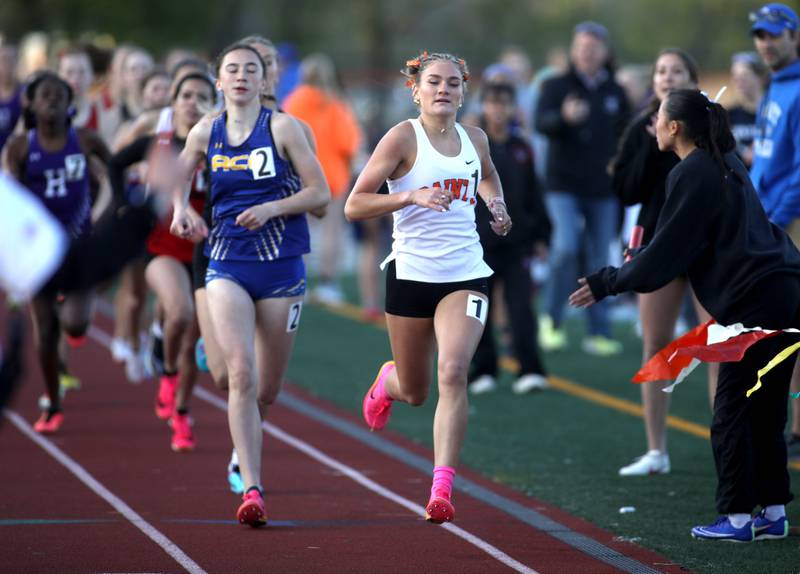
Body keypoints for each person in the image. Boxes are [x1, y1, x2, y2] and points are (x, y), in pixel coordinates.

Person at [570, 88, 797, 542]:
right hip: (787, 288)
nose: (652, 124)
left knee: (732, 410)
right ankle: (772, 513)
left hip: (754, 302)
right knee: (767, 412)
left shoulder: (692, 172)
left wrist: (607, 281)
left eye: (658, 118)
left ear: (674, 127)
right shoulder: (726, 160)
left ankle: (735, 518)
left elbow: (662, 261)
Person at [344, 51, 511, 524]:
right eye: (434, 82)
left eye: (453, 83)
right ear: (415, 90)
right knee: (415, 390)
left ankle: (441, 486)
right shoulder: (401, 138)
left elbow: (489, 176)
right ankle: (387, 382)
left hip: (466, 273)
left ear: (463, 90)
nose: (444, 90)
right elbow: (354, 205)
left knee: (454, 371)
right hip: (412, 275)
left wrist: (496, 205)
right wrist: (409, 195)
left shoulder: (474, 138)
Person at [171, 43, 329, 526]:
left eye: (251, 70)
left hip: (281, 269)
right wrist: (181, 209)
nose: (241, 76)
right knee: (239, 374)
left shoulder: (282, 128)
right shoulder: (205, 130)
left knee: (266, 388)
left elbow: (321, 193)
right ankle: (254, 489)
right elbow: (176, 176)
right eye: (232, 70)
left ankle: (243, 451)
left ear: (265, 81)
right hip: (227, 263)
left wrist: (272, 208)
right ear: (219, 81)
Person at [611, 48, 718, 476]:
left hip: (707, 244)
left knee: (718, 345)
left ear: (692, 79)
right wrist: (655, 138)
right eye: (660, 71)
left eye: (677, 71)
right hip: (658, 241)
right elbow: (626, 190)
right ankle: (657, 451)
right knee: (656, 345)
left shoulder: (711, 123)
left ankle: (724, 447)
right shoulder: (642, 127)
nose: (667, 77)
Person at [109, 72, 216, 452]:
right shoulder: (159, 142)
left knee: (194, 342)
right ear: (173, 100)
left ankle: (183, 412)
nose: (192, 102)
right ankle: (167, 374)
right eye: (185, 95)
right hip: (162, 247)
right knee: (180, 312)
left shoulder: (221, 143)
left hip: (207, 253)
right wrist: (124, 203)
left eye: (201, 95)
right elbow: (113, 163)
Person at [2, 72, 111, 433]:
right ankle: (53, 398)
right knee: (45, 332)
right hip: (41, 251)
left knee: (75, 323)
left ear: (70, 103)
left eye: (58, 96)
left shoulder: (85, 140)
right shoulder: (19, 148)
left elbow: (115, 172)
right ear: (30, 104)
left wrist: (109, 209)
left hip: (79, 243)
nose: (51, 102)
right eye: (44, 96)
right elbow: (11, 202)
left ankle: (77, 326)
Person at [534, 21, 630, 356]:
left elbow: (627, 136)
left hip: (603, 189)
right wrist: (563, 117)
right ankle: (551, 319)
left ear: (604, 53)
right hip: (563, 185)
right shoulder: (556, 86)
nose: (588, 53)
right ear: (574, 51)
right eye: (582, 47)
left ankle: (599, 331)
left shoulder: (615, 91)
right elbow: (540, 123)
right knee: (565, 247)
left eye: (594, 48)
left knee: (600, 257)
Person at [469, 82, 550, 395]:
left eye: (504, 103)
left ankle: (529, 369)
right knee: (479, 309)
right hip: (478, 243)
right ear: (483, 106)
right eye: (492, 103)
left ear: (513, 107)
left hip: (518, 242)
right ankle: (483, 370)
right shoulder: (472, 146)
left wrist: (542, 234)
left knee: (521, 308)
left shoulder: (522, 148)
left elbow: (534, 193)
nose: (498, 110)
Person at [748, 3, 800, 459]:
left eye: (774, 35)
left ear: (794, 36)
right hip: (771, 216)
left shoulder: (797, 89)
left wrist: (777, 217)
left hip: (788, 219)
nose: (766, 43)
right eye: (760, 36)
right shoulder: (775, 87)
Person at [284, 53, 362, 304]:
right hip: (333, 177)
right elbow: (349, 143)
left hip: (299, 176)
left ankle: (298, 281)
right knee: (332, 231)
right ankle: (328, 283)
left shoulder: (293, 102)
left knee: (300, 229)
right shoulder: (335, 103)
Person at [727, 52, 768, 168]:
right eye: (735, 76)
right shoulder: (728, 116)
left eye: (745, 75)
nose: (738, 80)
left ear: (761, 78)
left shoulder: (775, 113)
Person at [0, 43, 22, 153]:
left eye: (11, 60)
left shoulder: (25, 93)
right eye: (3, 60)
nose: (7, 65)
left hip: (15, 158)